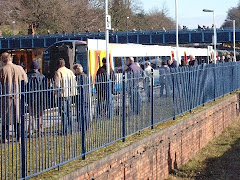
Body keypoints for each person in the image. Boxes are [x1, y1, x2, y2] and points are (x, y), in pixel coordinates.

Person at [0, 52, 28, 143]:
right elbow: (26, 80)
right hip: (17, 95)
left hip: (6, 96)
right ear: (10, 58)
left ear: (3, 60)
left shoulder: (2, 70)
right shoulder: (19, 68)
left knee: (5, 118)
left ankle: (5, 137)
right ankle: (19, 136)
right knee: (17, 116)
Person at [55, 58, 76, 135]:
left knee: (63, 113)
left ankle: (65, 130)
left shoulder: (58, 72)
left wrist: (54, 91)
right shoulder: (69, 71)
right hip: (69, 93)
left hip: (62, 94)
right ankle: (71, 129)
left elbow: (57, 85)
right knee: (69, 112)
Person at [27, 61, 46, 137]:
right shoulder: (42, 77)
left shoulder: (27, 76)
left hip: (30, 98)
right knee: (40, 115)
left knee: (31, 115)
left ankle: (30, 131)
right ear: (38, 68)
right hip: (40, 98)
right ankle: (40, 130)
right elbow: (45, 88)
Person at [73, 64, 89, 131]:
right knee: (86, 112)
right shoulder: (86, 76)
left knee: (80, 112)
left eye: (74, 70)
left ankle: (81, 126)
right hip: (86, 96)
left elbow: (76, 88)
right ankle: (86, 125)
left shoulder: (78, 78)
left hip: (80, 97)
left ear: (77, 70)